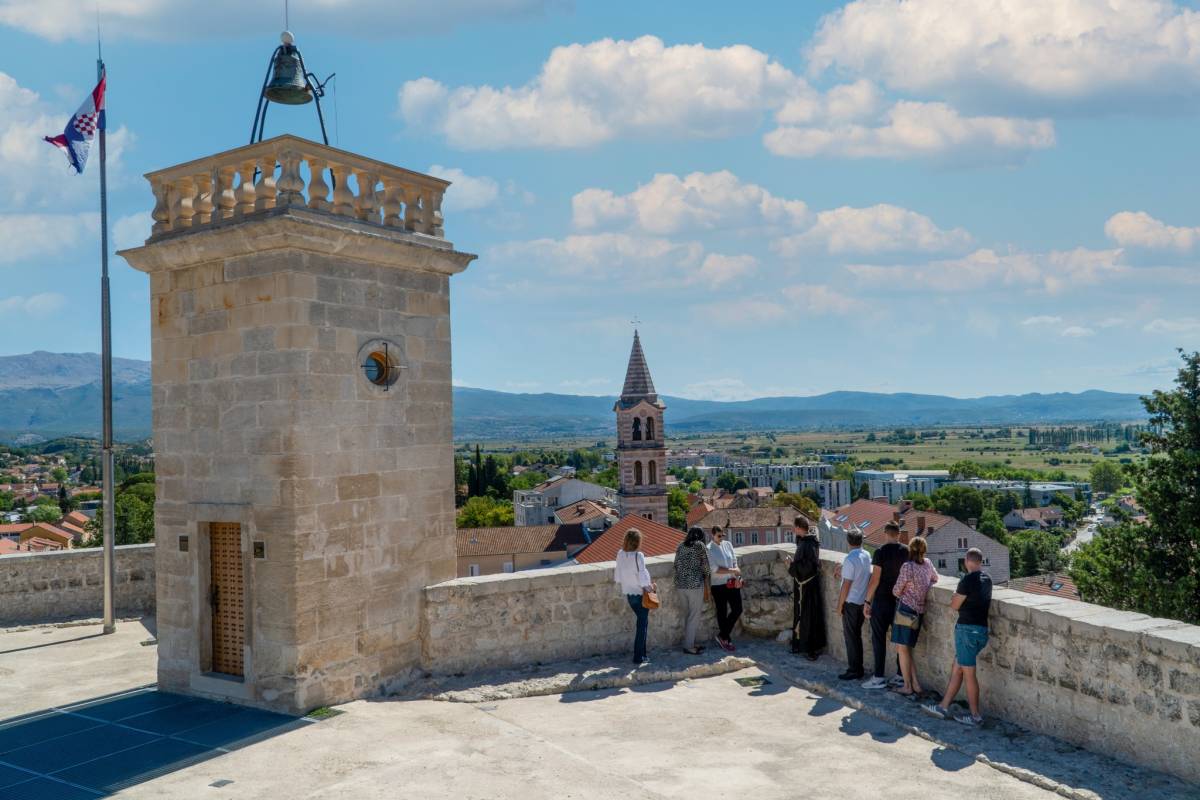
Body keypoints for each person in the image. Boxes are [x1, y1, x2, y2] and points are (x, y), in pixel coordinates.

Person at [924, 548, 993, 726]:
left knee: (969, 674)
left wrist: (956, 598)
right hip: (982, 630)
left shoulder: (966, 580)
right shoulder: (988, 579)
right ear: (980, 561)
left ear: (966, 561)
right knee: (958, 667)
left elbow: (954, 605)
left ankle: (975, 716)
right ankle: (943, 707)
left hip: (967, 631)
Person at [889, 536, 940, 698]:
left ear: (910, 549)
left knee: (902, 649)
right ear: (924, 550)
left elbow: (896, 591)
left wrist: (906, 591)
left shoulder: (907, 567)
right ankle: (915, 684)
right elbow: (935, 578)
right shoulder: (928, 564)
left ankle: (907, 686)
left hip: (905, 610)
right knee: (906, 648)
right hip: (919, 611)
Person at [861, 522, 908, 690]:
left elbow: (875, 580)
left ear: (885, 534)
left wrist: (867, 601)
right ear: (899, 534)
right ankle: (900, 676)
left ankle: (879, 677)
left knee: (878, 639)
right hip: (900, 601)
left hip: (881, 601)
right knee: (900, 640)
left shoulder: (880, 552)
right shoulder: (906, 551)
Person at [614, 528, 656, 665]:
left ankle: (643, 654)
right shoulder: (639, 556)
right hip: (640, 594)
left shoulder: (620, 554)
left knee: (642, 623)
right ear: (637, 542)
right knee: (642, 626)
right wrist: (652, 588)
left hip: (629, 595)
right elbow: (643, 577)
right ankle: (638, 657)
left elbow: (618, 576)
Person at [835, 527, 872, 680]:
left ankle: (854, 670)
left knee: (851, 637)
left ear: (848, 541)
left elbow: (847, 585)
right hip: (862, 601)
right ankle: (858, 668)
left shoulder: (849, 559)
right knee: (855, 636)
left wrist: (839, 605)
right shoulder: (867, 555)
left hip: (851, 603)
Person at [788, 515, 827, 661]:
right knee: (802, 616)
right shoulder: (805, 541)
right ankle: (800, 644)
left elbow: (809, 567)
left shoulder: (809, 544)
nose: (793, 529)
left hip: (808, 587)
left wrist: (791, 566)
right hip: (804, 586)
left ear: (799, 527)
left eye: (794, 526)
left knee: (809, 617)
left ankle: (811, 648)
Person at [674, 526, 711, 655]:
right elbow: (706, 566)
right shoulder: (699, 545)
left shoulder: (680, 546)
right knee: (694, 617)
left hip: (680, 585)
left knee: (687, 616)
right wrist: (706, 577)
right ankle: (689, 646)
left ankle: (689, 642)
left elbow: (676, 564)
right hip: (694, 585)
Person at [707, 525, 743, 652]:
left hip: (732, 582)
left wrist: (738, 578)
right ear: (712, 535)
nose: (721, 538)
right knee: (722, 612)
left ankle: (722, 636)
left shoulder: (728, 544)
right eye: (718, 536)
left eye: (722, 535)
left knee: (738, 609)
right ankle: (726, 639)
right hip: (718, 585)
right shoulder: (709, 549)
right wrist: (734, 570)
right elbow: (715, 570)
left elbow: (734, 561)